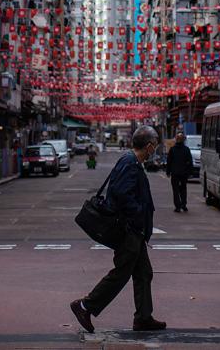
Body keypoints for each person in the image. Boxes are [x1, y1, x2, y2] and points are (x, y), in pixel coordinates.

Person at [70, 126, 165, 333]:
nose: (155, 151)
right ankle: (85, 306)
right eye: (154, 147)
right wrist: (139, 213)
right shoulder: (130, 163)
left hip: (135, 230)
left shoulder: (134, 162)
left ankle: (143, 317)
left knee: (143, 273)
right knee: (122, 273)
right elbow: (122, 194)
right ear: (148, 146)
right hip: (129, 230)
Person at [166, 133, 193, 212]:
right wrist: (190, 172)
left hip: (175, 173)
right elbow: (190, 162)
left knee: (176, 190)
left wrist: (168, 172)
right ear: (183, 140)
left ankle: (178, 206)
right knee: (183, 189)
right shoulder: (186, 149)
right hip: (183, 173)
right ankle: (183, 205)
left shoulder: (172, 149)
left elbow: (169, 162)